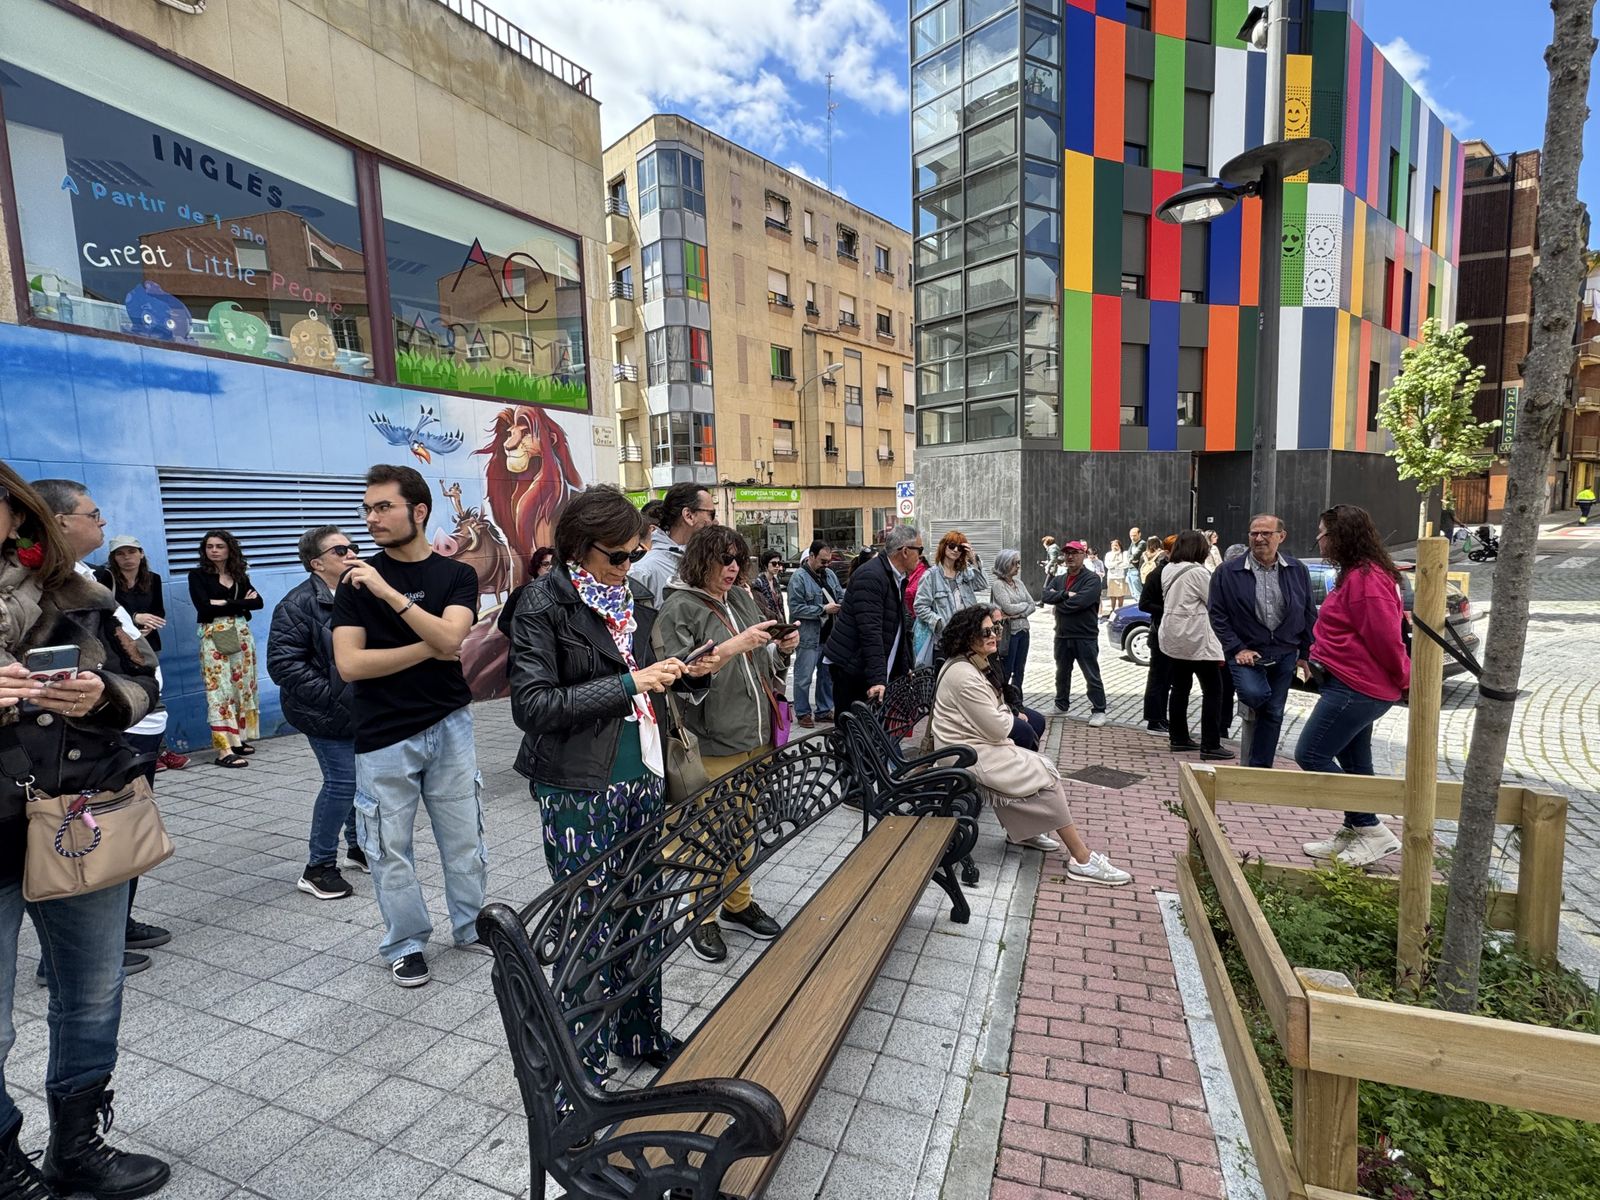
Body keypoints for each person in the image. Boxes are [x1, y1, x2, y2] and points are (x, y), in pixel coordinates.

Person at [0, 464, 172, 1200]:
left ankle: (78, 1143)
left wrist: (102, 694)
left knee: (92, 995)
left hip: (79, 814)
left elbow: (145, 687)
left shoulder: (80, 591)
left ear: (16, 515)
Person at [509, 485, 714, 1078]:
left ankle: (641, 1034)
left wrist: (689, 675)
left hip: (645, 774)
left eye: (636, 552)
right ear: (578, 550)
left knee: (644, 917)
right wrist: (631, 684)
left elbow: (652, 685)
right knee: (589, 927)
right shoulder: (543, 604)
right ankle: (582, 1063)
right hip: (580, 785)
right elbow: (534, 704)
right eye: (617, 556)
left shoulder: (631, 598)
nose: (628, 565)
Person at [332, 464, 486, 988]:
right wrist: (436, 644)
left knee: (464, 838)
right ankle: (406, 942)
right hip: (382, 734)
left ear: (419, 511)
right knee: (387, 846)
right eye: (368, 508)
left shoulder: (457, 576)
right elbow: (351, 665)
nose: (371, 518)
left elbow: (456, 638)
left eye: (383, 507)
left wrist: (391, 596)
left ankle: (471, 926)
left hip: (450, 724)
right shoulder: (353, 584)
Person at [33, 481, 173, 972]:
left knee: (121, 833)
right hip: (94, 736)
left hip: (136, 718)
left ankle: (117, 921)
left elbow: (131, 655)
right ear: (59, 520)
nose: (103, 521)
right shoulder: (42, 589)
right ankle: (63, 957)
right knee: (81, 840)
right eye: (93, 514)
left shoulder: (89, 577)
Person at [655, 526, 798, 963]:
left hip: (752, 735)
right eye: (724, 558)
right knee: (704, 834)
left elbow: (760, 663)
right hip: (711, 742)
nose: (733, 567)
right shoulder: (678, 608)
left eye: (738, 558)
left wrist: (782, 650)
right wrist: (736, 645)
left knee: (743, 827)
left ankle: (737, 903)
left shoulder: (739, 597)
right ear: (700, 560)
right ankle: (700, 918)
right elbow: (678, 676)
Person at [929, 606, 1131, 885]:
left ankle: (1021, 833)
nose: (994, 636)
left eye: (996, 629)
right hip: (964, 754)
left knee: (1035, 766)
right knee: (1045, 777)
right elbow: (999, 724)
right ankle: (1081, 860)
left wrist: (1004, 713)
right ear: (966, 636)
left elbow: (997, 711)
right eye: (985, 631)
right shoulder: (964, 674)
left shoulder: (973, 663)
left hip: (974, 745)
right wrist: (1005, 714)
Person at [1296, 505, 1410, 867]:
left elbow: (1386, 639)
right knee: (1357, 764)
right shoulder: (1355, 575)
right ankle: (1355, 828)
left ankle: (1371, 828)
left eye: (1322, 533)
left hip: (1356, 689)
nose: (1318, 540)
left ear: (1340, 536)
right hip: (1350, 685)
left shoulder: (1366, 579)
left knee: (1310, 754)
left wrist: (1408, 681)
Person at [268, 525, 366, 901]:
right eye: (341, 550)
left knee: (364, 782)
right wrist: (333, 696)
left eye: (353, 547)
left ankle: (359, 847)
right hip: (323, 712)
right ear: (317, 563)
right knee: (342, 784)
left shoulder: (360, 592)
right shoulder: (296, 604)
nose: (351, 554)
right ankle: (319, 867)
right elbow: (283, 665)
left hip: (361, 709)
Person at [1208, 514, 1316, 767]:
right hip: (1246, 653)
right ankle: (1255, 742)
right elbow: (1217, 613)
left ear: (1281, 536)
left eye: (1266, 533)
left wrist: (1305, 653)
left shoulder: (1297, 570)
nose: (1259, 538)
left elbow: (1309, 611)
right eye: (1254, 533)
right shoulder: (1228, 571)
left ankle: (1260, 768)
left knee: (1275, 713)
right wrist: (1236, 647)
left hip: (1285, 652)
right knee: (1257, 695)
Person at [94, 536, 186, 772]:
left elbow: (158, 611)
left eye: (131, 552)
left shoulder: (152, 579)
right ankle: (145, 751)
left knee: (155, 696)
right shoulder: (105, 578)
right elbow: (105, 611)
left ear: (141, 554)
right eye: (121, 554)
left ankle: (158, 749)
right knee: (130, 697)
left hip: (147, 645)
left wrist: (147, 626)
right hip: (118, 647)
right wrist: (134, 620)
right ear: (113, 557)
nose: (127, 558)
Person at [825, 525, 923, 713]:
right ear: (904, 551)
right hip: (853, 667)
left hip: (868, 666)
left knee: (874, 733)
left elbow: (897, 628)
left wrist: (904, 666)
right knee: (854, 732)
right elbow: (870, 632)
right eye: (919, 550)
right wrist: (878, 679)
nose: (920, 556)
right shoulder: (872, 576)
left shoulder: (895, 575)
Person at [187, 529, 263, 766]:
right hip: (214, 638)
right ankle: (223, 749)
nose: (214, 551)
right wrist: (241, 604)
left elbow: (258, 603)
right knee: (219, 690)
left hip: (241, 636)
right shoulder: (198, 575)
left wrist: (226, 603)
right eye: (210, 546)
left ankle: (237, 739)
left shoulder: (239, 574)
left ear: (229, 549)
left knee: (242, 686)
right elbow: (204, 608)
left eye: (219, 546)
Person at [1160, 532, 1230, 760]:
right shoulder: (1198, 572)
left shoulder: (1168, 569)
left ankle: (1178, 737)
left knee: (1180, 688)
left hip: (1174, 637)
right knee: (1213, 691)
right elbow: (1215, 601)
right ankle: (1211, 743)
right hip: (1197, 639)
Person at [1041, 541, 1107, 726]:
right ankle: (1061, 705)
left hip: (1085, 636)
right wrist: (1065, 595)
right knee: (1062, 672)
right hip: (1062, 634)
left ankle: (1099, 710)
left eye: (1074, 553)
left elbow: (1080, 603)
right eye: (1067, 553)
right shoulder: (1060, 578)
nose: (1070, 557)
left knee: (1091, 674)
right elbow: (1045, 595)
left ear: (1083, 555)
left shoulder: (1092, 579)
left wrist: (1060, 602)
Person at [633, 484, 717, 608]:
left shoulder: (709, 560)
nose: (714, 522)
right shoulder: (644, 570)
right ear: (688, 515)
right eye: (711, 514)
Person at [787, 540, 842, 728]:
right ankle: (802, 713)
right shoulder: (799, 578)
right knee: (804, 677)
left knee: (827, 676)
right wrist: (823, 609)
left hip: (830, 636)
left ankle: (824, 710)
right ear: (811, 556)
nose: (826, 565)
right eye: (822, 561)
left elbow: (840, 595)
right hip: (808, 637)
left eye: (828, 561)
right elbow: (795, 608)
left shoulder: (830, 575)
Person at [913, 531, 987, 666]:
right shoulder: (931, 576)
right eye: (952, 545)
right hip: (944, 641)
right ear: (944, 547)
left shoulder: (965, 573)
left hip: (967, 638)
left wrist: (973, 558)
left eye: (960, 547)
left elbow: (983, 583)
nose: (956, 550)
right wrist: (939, 623)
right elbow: (920, 606)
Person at [987, 603, 1045, 751]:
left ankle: (1024, 759)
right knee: (1024, 730)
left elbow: (1004, 686)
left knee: (1037, 721)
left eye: (1002, 623)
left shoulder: (993, 651)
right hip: (993, 711)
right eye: (995, 624)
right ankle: (1019, 761)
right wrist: (1014, 712)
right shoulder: (979, 655)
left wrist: (1017, 708)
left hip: (1002, 706)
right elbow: (990, 695)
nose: (999, 629)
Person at [1139, 536, 1176, 732]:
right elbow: (1144, 603)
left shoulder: (1173, 572)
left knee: (1168, 679)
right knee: (1158, 679)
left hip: (1172, 633)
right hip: (1159, 632)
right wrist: (1168, 609)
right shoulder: (1158, 574)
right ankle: (1154, 718)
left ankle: (1162, 716)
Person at [989, 550, 1035, 693]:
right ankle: (1004, 698)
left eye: (1018, 563)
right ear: (1005, 565)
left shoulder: (1019, 583)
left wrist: (1019, 613)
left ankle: (1017, 699)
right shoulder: (998, 585)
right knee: (1006, 668)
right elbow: (1007, 607)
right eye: (1015, 563)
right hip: (1009, 632)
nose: (1018, 566)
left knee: (1020, 669)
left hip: (1024, 630)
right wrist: (1023, 607)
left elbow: (1032, 604)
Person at [495, 547, 557, 641]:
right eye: (546, 564)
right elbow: (503, 622)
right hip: (529, 650)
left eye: (555, 564)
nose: (550, 568)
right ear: (537, 567)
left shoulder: (565, 591)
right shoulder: (521, 592)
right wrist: (524, 637)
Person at [751, 549, 787, 625]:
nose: (777, 566)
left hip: (779, 622)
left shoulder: (775, 581)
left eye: (779, 563)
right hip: (767, 623)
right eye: (774, 563)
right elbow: (760, 608)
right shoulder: (758, 583)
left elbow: (781, 607)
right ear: (766, 565)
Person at [1104, 539, 1130, 613]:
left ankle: (1120, 609)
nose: (1114, 547)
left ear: (1119, 546)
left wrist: (1115, 566)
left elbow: (1125, 564)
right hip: (1111, 577)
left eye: (1116, 545)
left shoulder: (1124, 553)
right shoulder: (1108, 554)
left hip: (1120, 576)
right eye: (1112, 545)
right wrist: (1117, 563)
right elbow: (1108, 565)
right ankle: (1112, 609)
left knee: (1120, 594)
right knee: (1112, 594)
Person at [1124, 526, 1145, 601]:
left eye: (1134, 535)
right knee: (1133, 594)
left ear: (1139, 534)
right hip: (1130, 570)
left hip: (1136, 570)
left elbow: (1135, 556)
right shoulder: (1132, 543)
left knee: (1138, 593)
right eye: (1131, 536)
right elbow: (1128, 555)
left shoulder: (1142, 543)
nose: (1132, 537)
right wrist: (1131, 559)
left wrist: (1132, 559)